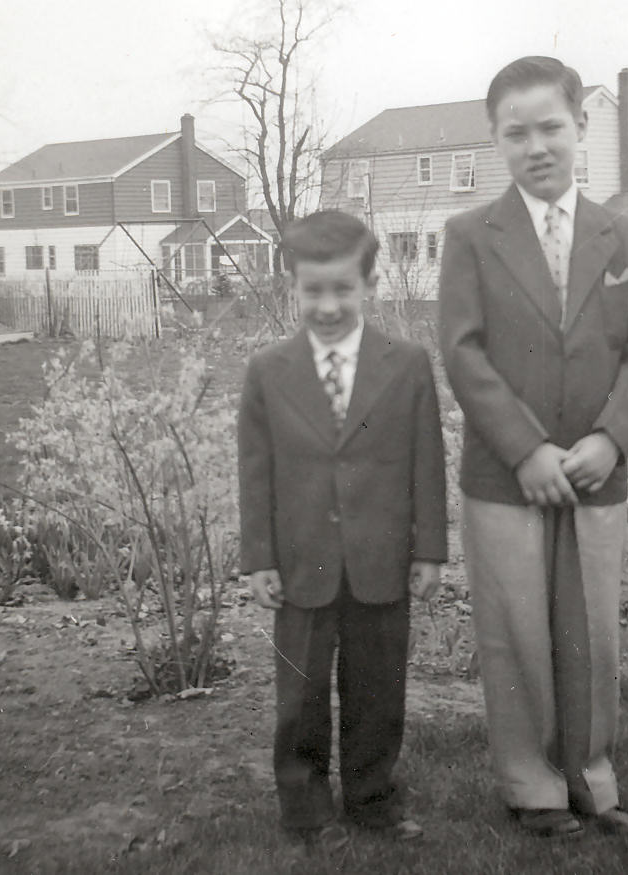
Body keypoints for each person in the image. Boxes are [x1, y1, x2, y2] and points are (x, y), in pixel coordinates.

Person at [439, 56, 628, 839]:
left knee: (592, 630)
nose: (536, 146)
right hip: (506, 477)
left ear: (580, 127)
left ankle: (592, 778)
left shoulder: (625, 236)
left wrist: (612, 436)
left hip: (598, 472)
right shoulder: (470, 235)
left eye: (550, 127)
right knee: (516, 629)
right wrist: (527, 449)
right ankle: (531, 785)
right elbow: (463, 352)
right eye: (516, 132)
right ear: (496, 140)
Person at [238, 210, 447, 858]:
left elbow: (427, 462)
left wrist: (430, 549)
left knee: (378, 689)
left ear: (370, 285)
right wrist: (260, 559)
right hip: (301, 562)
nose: (327, 305)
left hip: (381, 558)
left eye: (343, 290)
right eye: (312, 291)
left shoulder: (407, 363)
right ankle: (305, 804)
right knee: (300, 696)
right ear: (290, 288)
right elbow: (256, 471)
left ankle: (373, 797)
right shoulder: (268, 369)